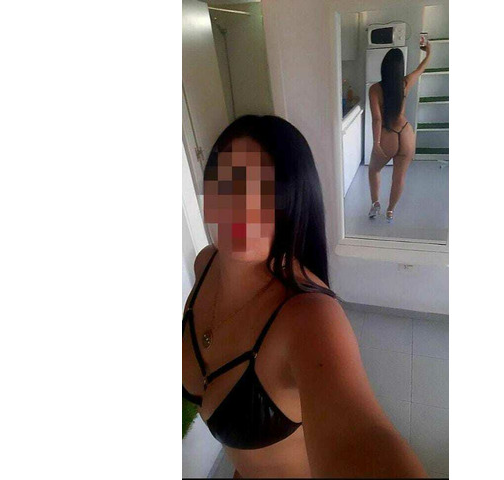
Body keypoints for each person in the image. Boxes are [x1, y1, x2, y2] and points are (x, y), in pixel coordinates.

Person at [182, 115, 427, 478]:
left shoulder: (310, 318)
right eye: (228, 183)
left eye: (266, 193)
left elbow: (359, 440)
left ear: (293, 204)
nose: (241, 208)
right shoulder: (204, 263)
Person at [368, 38, 432, 223]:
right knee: (399, 177)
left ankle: (375, 204)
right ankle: (390, 211)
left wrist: (376, 143)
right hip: (405, 133)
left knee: (373, 170)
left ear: (384, 67)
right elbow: (421, 68)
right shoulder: (405, 83)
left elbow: (377, 118)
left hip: (387, 134)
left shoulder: (375, 89)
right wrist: (428, 52)